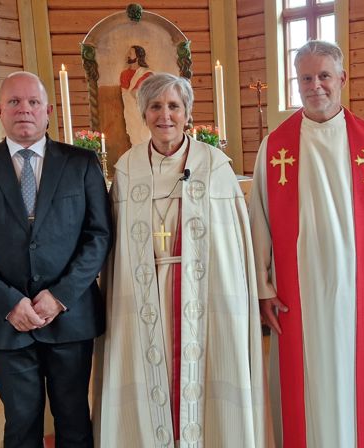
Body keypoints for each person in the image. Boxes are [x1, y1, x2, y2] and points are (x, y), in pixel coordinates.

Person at [249, 40, 364, 448]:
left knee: (356, 378)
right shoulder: (275, 146)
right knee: (304, 383)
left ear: (342, 78)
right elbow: (258, 220)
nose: (316, 86)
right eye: (306, 78)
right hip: (298, 290)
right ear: (297, 84)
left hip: (356, 289)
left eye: (324, 76)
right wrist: (263, 287)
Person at [93, 73, 267, 447]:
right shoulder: (126, 169)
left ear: (188, 113)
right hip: (143, 299)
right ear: (143, 113)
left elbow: (232, 246)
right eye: (155, 106)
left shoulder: (215, 165)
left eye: (174, 106)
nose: (165, 115)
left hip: (206, 298)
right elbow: (116, 247)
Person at [0, 71, 111, 448]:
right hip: (5, 318)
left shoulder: (82, 163)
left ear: (48, 111)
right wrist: (9, 302)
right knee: (21, 420)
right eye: (14, 102)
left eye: (33, 102)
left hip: (69, 315)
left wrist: (60, 296)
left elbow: (99, 236)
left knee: (73, 415)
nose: (24, 110)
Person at [120, 45, 153, 145]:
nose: (128, 55)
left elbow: (136, 93)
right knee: (133, 135)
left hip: (142, 110)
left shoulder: (147, 73)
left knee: (144, 135)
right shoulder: (124, 74)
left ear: (138, 57)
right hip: (130, 111)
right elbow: (126, 94)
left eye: (131, 53)